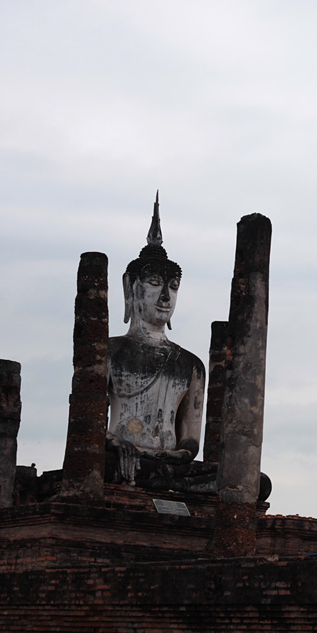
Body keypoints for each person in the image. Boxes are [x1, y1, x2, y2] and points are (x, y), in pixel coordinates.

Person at [106, 196, 206, 487]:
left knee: (251, 481)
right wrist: (117, 444)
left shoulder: (191, 364)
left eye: (173, 287)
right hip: (121, 456)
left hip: (169, 464)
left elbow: (190, 436)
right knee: (101, 465)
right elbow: (87, 426)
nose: (165, 297)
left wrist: (181, 454)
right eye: (153, 284)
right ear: (130, 287)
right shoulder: (110, 351)